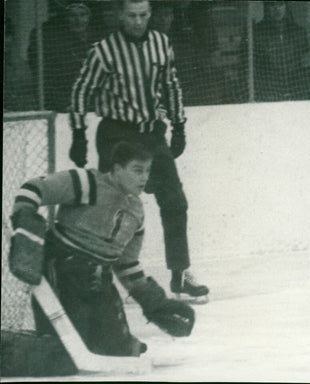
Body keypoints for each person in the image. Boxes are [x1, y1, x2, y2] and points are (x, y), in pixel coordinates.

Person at [68, 0, 209, 302]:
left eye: (143, 15)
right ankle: (99, 273)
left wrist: (178, 124)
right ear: (120, 15)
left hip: (151, 133)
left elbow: (171, 84)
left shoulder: (161, 42)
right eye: (131, 16)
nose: (137, 21)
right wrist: (78, 133)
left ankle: (180, 274)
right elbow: (81, 89)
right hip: (118, 134)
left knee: (175, 201)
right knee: (113, 205)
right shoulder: (104, 50)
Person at [9, 141, 194, 360]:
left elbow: (128, 264)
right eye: (137, 170)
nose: (144, 177)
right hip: (63, 270)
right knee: (65, 353)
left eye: (147, 171)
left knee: (120, 352)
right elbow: (33, 188)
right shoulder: (88, 183)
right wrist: (26, 224)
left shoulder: (137, 213)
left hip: (99, 280)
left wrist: (153, 301)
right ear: (116, 169)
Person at [27, 1, 92, 112]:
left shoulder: (94, 39)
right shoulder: (54, 44)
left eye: (83, 15)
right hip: (62, 104)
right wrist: (63, 104)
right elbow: (48, 78)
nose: (78, 21)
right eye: (73, 16)